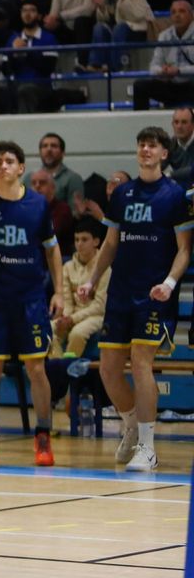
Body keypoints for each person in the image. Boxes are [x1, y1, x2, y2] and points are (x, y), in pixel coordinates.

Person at [77, 126, 192, 473]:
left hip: (153, 295)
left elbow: (186, 250)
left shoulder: (175, 196)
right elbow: (110, 243)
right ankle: (129, 423)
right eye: (141, 144)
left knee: (141, 361)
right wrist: (92, 280)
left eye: (152, 145)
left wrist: (170, 283)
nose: (145, 149)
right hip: (120, 293)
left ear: (164, 154)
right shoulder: (123, 193)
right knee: (109, 369)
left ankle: (148, 446)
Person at [0, 141, 64, 469]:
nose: (3, 166)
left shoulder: (38, 205)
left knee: (36, 368)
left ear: (21, 168)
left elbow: (53, 251)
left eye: (9, 161)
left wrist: (58, 292)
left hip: (30, 301)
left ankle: (43, 436)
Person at [52, 222, 108, 358]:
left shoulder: (105, 268)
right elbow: (67, 300)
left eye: (84, 239)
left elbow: (100, 306)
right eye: (76, 239)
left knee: (77, 333)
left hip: (96, 316)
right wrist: (65, 317)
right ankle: (58, 367)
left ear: (96, 241)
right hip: (72, 315)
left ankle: (69, 369)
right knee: (48, 329)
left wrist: (72, 319)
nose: (79, 244)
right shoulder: (67, 267)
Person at [86, 0, 152, 72]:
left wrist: (123, 0)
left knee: (120, 27)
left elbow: (138, 15)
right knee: (99, 27)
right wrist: (101, 7)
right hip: (115, 29)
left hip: (136, 29)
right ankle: (95, 64)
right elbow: (104, 19)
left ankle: (113, 67)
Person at [132, 0, 194, 110]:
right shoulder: (164, 36)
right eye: (174, 12)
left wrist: (179, 70)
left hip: (191, 84)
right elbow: (153, 67)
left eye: (182, 11)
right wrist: (162, 71)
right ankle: (141, 125)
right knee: (140, 86)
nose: (177, 15)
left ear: (191, 15)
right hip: (172, 84)